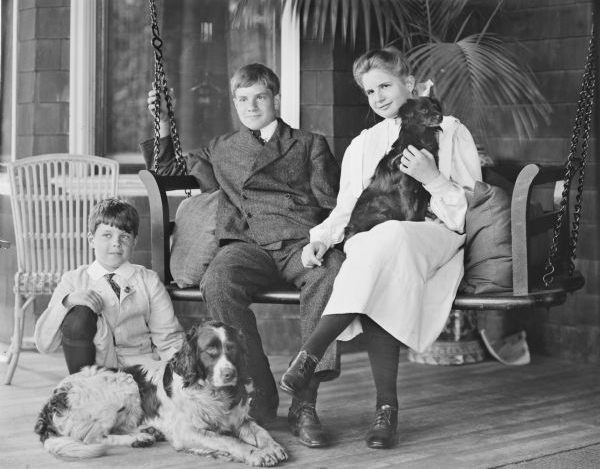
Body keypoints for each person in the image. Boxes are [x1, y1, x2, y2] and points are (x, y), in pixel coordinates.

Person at [279, 46, 482, 449]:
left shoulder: (451, 130)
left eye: (385, 85)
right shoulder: (363, 144)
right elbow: (346, 207)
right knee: (375, 251)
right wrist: (320, 239)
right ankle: (386, 411)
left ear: (409, 82)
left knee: (381, 242)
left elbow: (467, 209)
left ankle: (310, 353)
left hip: (434, 235)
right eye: (369, 92)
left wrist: (432, 179)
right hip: (381, 245)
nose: (379, 98)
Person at [141, 63, 344, 448]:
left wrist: (324, 241)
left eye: (260, 97)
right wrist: (163, 122)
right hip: (247, 247)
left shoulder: (308, 144)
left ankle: (304, 403)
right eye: (243, 99)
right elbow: (169, 167)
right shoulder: (222, 148)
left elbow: (333, 204)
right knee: (218, 280)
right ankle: (261, 391)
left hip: (300, 243)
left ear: (276, 99)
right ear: (235, 102)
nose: (251, 106)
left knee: (331, 271)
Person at [34, 198, 185, 373]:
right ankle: (85, 388)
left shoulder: (149, 281)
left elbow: (169, 339)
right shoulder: (73, 280)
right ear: (91, 240)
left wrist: (182, 378)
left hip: (142, 370)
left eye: (124, 236)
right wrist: (69, 301)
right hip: (96, 371)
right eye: (107, 235)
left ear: (134, 241)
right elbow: (45, 344)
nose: (116, 243)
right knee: (79, 314)